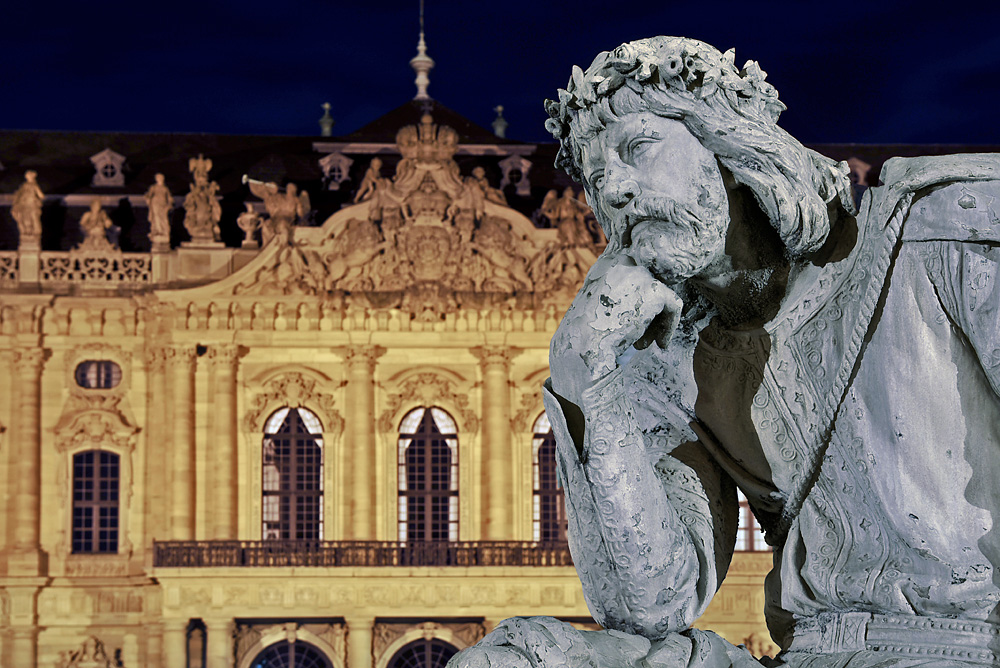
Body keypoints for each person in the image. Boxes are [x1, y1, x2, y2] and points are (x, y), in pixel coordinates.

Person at [451, 36, 1000, 668]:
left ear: (731, 147)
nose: (616, 192)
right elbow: (650, 607)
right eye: (597, 179)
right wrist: (585, 369)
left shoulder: (941, 235)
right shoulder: (670, 365)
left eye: (637, 150)